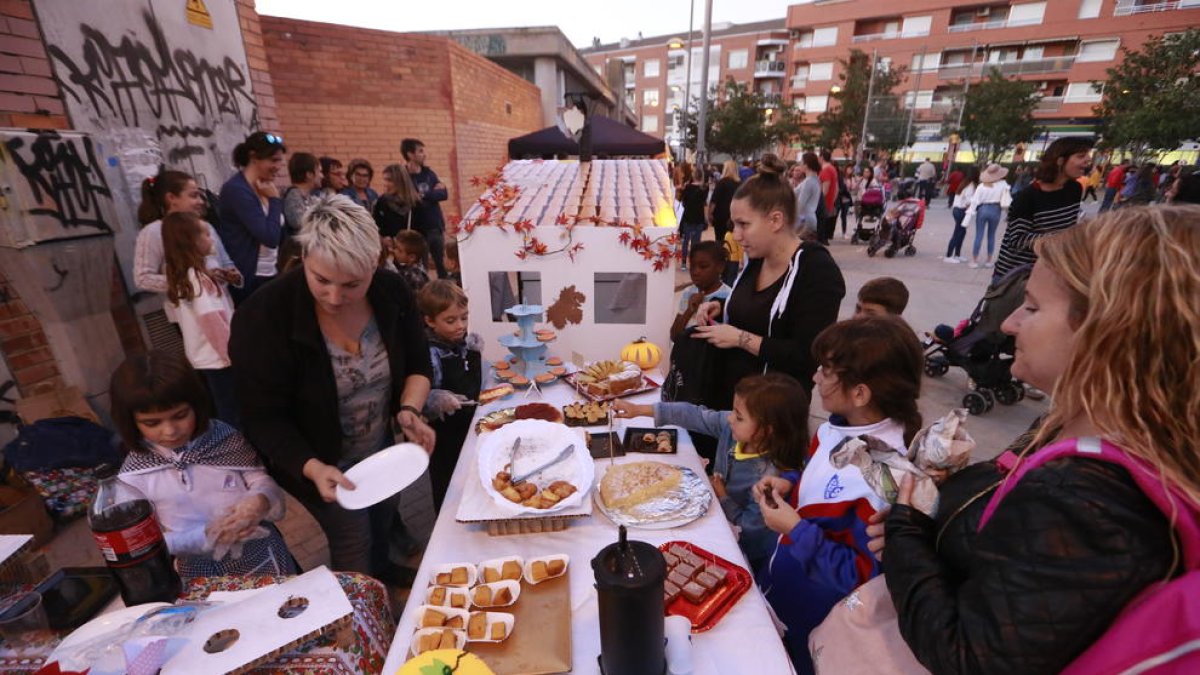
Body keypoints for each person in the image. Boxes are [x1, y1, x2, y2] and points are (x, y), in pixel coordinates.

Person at [872, 206, 1199, 674]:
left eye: (1032, 307)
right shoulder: (1100, 441)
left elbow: (969, 658)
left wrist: (906, 538)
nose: (1009, 325)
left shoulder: (1084, 498)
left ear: (1109, 330)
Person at [229, 195, 436, 583]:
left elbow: (418, 364)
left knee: (382, 513)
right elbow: (262, 417)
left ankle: (383, 572)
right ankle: (360, 618)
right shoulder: (264, 315)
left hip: (378, 446)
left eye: (352, 284)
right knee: (351, 538)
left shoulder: (392, 292)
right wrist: (313, 467)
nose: (335, 297)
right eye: (321, 280)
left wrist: (410, 410)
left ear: (375, 265)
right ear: (304, 256)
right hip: (316, 457)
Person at [753, 316, 923, 673]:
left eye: (826, 371)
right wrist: (790, 481)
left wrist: (795, 529)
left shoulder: (885, 478)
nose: (815, 377)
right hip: (784, 584)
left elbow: (859, 577)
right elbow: (819, 473)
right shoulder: (840, 426)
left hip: (817, 619)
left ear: (860, 392)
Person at [110, 350, 296, 577]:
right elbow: (144, 544)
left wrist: (260, 499)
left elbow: (259, 478)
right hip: (199, 571)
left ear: (197, 405)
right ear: (131, 422)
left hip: (262, 554)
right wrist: (204, 535)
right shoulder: (133, 477)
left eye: (180, 415)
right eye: (152, 423)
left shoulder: (223, 438)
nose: (170, 431)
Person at [691, 154, 845, 410]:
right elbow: (758, 311)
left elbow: (807, 355)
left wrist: (740, 338)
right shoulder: (756, 260)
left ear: (776, 220)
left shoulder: (817, 271)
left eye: (744, 225)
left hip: (773, 415)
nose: (736, 235)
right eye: (733, 224)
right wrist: (722, 306)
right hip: (731, 405)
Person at [613, 373, 809, 571]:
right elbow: (695, 415)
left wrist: (722, 495)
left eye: (739, 417)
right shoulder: (732, 428)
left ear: (766, 431)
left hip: (747, 552)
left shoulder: (769, 479)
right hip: (718, 510)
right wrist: (640, 409)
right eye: (733, 411)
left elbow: (750, 530)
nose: (730, 419)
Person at [161, 211, 238, 428]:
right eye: (205, 235)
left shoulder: (192, 275)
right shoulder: (196, 278)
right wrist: (231, 356)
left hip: (210, 358)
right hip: (219, 359)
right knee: (230, 412)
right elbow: (212, 322)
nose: (211, 238)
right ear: (191, 242)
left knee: (226, 407)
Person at [992, 136, 1092, 282]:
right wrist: (1064, 240)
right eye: (1080, 156)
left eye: (1087, 155)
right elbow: (1018, 240)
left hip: (1051, 271)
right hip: (1016, 276)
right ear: (1060, 160)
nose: (1088, 160)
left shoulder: (1074, 189)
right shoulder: (1027, 196)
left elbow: (1068, 227)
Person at [416, 281, 481, 509]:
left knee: (470, 478)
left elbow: (470, 384)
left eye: (464, 317)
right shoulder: (429, 351)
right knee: (448, 486)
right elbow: (421, 397)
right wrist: (435, 398)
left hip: (467, 423)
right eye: (450, 320)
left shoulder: (459, 341)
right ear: (430, 321)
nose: (460, 326)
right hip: (444, 435)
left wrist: (472, 355)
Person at [135, 169, 240, 302]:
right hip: (191, 312)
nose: (201, 201)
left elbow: (225, 262)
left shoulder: (204, 226)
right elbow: (143, 278)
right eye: (193, 196)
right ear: (171, 198)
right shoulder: (153, 232)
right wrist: (194, 281)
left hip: (222, 305)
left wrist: (230, 274)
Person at [216, 131, 286, 304]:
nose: (278, 166)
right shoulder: (237, 190)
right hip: (251, 278)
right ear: (254, 157)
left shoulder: (265, 187)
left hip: (271, 272)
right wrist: (275, 200)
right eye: (274, 160)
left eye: (279, 160)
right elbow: (269, 237)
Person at [403, 138, 450, 279]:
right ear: (410, 154)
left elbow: (444, 193)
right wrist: (431, 194)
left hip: (435, 227)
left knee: (441, 264)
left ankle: (445, 294)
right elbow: (409, 199)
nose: (424, 154)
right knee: (420, 267)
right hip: (418, 231)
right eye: (420, 151)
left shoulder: (429, 173)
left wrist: (423, 195)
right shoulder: (404, 176)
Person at [670, 241, 732, 341]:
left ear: (720, 267)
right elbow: (674, 336)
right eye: (692, 266)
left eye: (703, 267)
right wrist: (689, 310)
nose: (695, 272)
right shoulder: (688, 293)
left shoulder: (729, 297)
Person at [962, 163, 1009, 269]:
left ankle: (974, 260)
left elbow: (974, 202)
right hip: (996, 210)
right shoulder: (1004, 185)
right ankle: (988, 261)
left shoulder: (981, 186)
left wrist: (967, 218)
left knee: (979, 235)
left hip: (982, 209)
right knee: (991, 235)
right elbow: (1007, 201)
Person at [281, 152, 322, 273]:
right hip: (297, 258)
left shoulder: (309, 197)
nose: (322, 176)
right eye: (319, 171)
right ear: (309, 175)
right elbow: (298, 222)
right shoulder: (294, 195)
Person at [944, 165, 980, 264]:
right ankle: (949, 255)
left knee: (961, 232)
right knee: (958, 233)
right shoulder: (971, 185)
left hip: (957, 209)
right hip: (961, 210)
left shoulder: (964, 183)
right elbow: (969, 201)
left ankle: (957, 254)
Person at [373, 163, 421, 238]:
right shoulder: (382, 202)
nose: (386, 184)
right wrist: (383, 239)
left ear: (401, 181)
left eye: (390, 180)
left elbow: (423, 234)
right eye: (384, 180)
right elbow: (376, 228)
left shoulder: (416, 203)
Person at [677, 163, 708, 269]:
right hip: (699, 218)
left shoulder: (688, 188)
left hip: (688, 217)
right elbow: (704, 205)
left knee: (685, 242)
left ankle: (684, 263)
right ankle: (694, 263)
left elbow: (683, 202)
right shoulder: (704, 189)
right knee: (696, 243)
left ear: (693, 176)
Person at [706, 160, 740, 246]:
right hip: (735, 215)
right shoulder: (740, 184)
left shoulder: (722, 183)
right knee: (733, 239)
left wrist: (709, 214)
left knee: (720, 239)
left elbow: (714, 200)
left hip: (720, 216)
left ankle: (720, 256)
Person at [793, 152, 822, 235]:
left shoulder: (808, 182)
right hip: (809, 218)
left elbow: (800, 204)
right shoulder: (815, 179)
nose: (800, 164)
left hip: (804, 220)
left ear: (806, 165)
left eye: (801, 162)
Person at [817, 150, 840, 244]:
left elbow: (825, 189)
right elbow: (837, 188)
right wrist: (833, 200)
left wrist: (819, 201)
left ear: (821, 157)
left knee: (820, 225)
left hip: (823, 202)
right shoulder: (833, 169)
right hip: (829, 201)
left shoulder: (825, 170)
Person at [835, 165, 855, 240]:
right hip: (839, 197)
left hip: (846, 199)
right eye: (849, 169)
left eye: (851, 169)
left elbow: (853, 188)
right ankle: (831, 230)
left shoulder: (851, 178)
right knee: (835, 214)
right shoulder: (841, 177)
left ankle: (844, 232)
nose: (850, 170)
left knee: (844, 216)